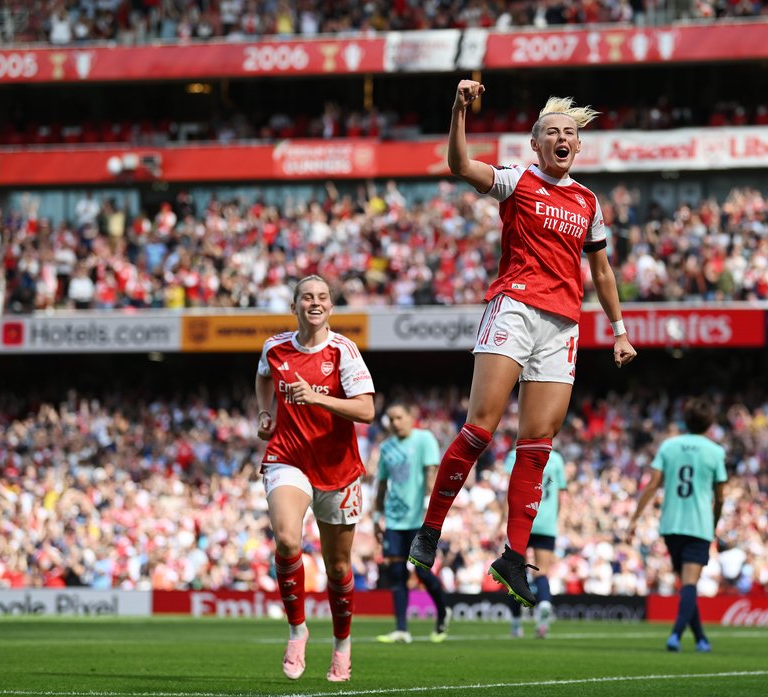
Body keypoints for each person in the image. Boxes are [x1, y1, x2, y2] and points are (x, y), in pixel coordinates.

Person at [407, 79, 637, 607]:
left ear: (578, 145)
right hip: (514, 307)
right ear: (535, 143)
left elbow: (601, 271)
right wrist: (459, 112)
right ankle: (431, 529)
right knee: (480, 428)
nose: (562, 138)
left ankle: (513, 557)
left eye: (569, 133)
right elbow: (460, 166)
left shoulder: (588, 201)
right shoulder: (517, 180)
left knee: (538, 444)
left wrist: (619, 330)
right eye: (551, 132)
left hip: (563, 325)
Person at [254, 274, 376, 682]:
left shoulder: (344, 351)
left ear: (331, 307)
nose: (315, 302)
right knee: (288, 539)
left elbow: (366, 410)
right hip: (288, 458)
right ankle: (297, 630)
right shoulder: (275, 348)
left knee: (338, 568)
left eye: (322, 296)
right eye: (307, 297)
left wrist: (316, 397)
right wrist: (265, 412)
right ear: (295, 306)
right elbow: (263, 377)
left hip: (338, 468)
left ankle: (342, 644)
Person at [627, 397, 727, 653]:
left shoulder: (669, 446)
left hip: (671, 524)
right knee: (690, 584)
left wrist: (635, 519)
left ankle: (701, 639)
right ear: (710, 423)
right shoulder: (715, 452)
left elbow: (652, 485)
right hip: (698, 524)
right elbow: (720, 497)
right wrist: (714, 523)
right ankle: (675, 635)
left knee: (685, 584)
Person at [371, 402, 452, 644]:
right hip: (394, 520)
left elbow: (431, 473)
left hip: (418, 518)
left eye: (399, 417)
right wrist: (376, 517)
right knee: (396, 572)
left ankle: (443, 611)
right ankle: (401, 629)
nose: (395, 423)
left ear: (410, 416)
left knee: (421, 570)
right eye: (391, 419)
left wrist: (428, 506)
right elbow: (382, 484)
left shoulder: (424, 439)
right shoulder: (386, 448)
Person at [501, 444, 567, 637]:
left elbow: (509, 489)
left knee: (515, 571)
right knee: (542, 572)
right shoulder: (556, 458)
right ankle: (544, 605)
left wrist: (502, 520)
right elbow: (561, 495)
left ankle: (516, 624)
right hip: (546, 523)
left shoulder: (514, 454)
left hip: (521, 520)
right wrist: (554, 519)